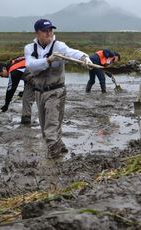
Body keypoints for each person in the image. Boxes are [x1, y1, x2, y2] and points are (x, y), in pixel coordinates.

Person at [24, 19, 93, 159]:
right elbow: (30, 65)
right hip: (39, 91)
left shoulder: (58, 46)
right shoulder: (30, 48)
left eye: (51, 30)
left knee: (51, 126)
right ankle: (60, 147)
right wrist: (48, 60)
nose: (49, 33)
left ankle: (54, 162)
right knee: (45, 128)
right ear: (37, 33)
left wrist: (84, 57)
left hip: (56, 91)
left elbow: (71, 52)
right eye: (45, 31)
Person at [0, 56, 35, 124]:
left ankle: (27, 120)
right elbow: (25, 73)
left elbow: (11, 88)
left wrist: (6, 104)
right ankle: (26, 119)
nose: (2, 77)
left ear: (4, 68)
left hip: (42, 74)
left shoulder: (14, 70)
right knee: (26, 98)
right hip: (33, 74)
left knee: (39, 96)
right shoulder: (12, 64)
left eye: (1, 75)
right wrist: (24, 90)